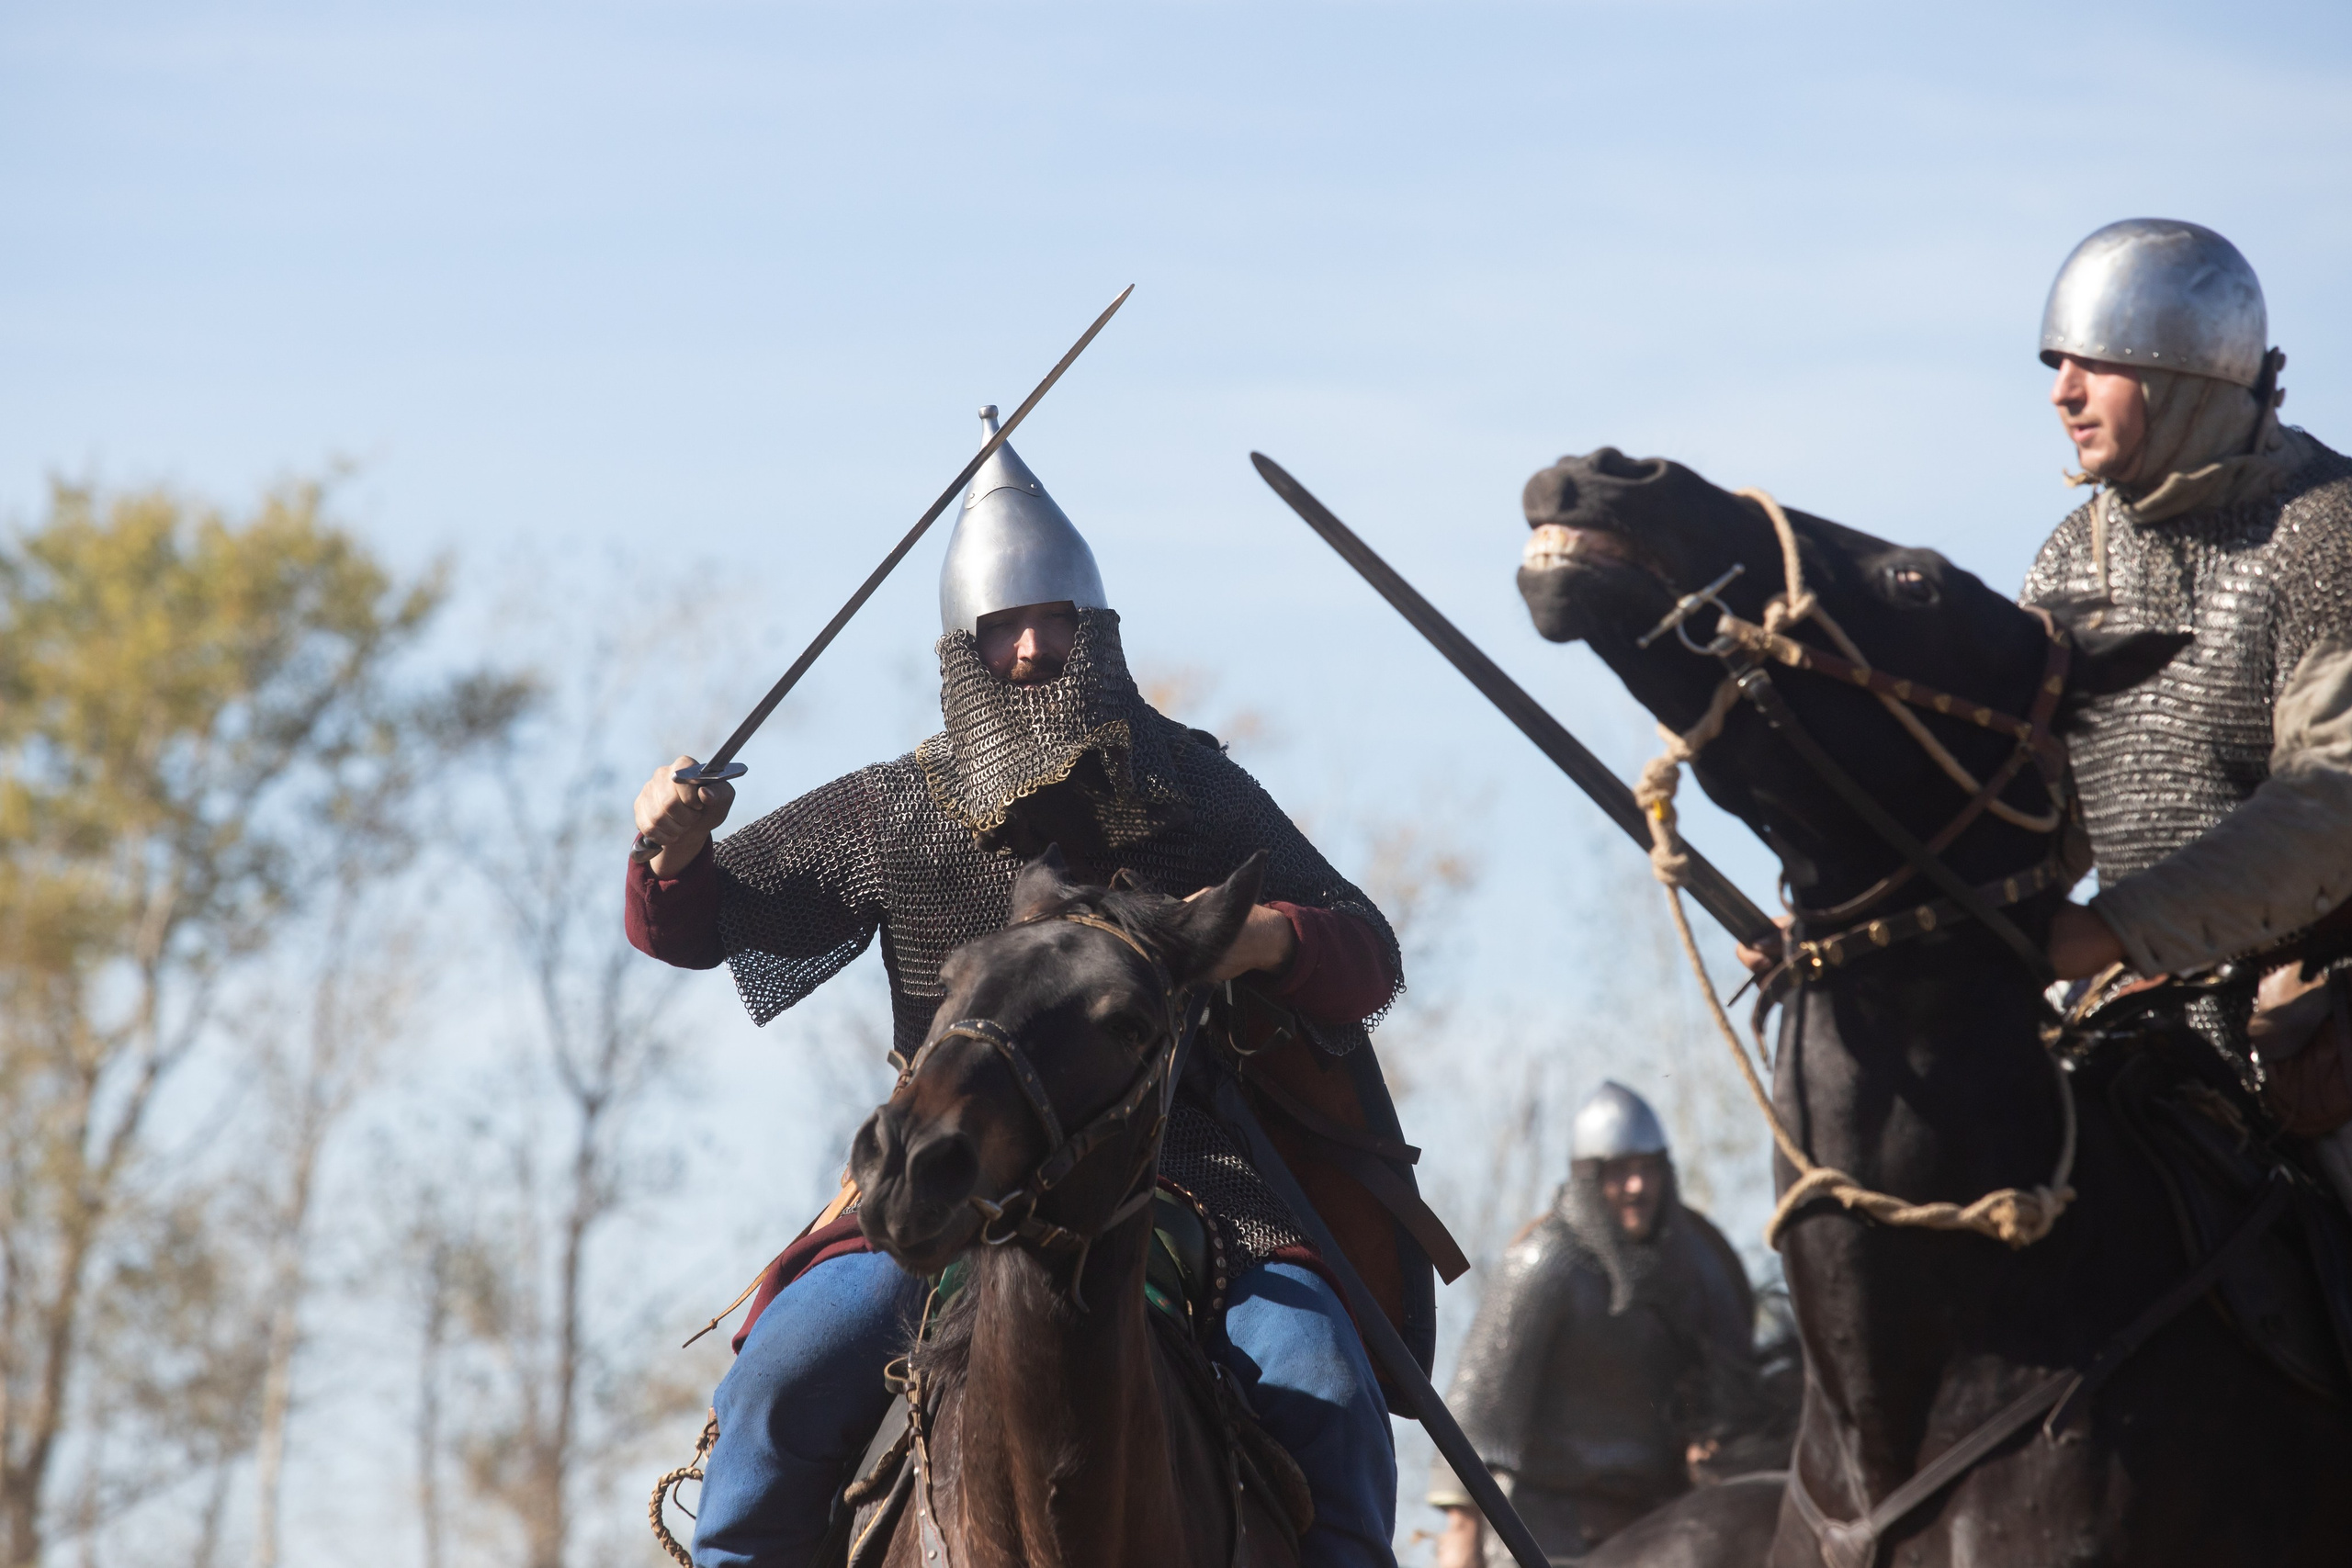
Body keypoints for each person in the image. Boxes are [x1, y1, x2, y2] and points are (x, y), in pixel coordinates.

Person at [627, 407, 1417, 1568]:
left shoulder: (1189, 789)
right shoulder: (901, 807)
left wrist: (1260, 940)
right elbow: (707, 927)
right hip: (951, 1167)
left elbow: (1367, 957)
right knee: (782, 1377)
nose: (1035, 648)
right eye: (1006, 627)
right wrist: (672, 852)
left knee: (1324, 1385)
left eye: (1055, 621)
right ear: (965, 650)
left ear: (1096, 627)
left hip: (1185, 1172)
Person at [2018, 218, 2352, 1208]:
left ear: (2188, 371)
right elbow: (2027, 815)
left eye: (2095, 362)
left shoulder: (2327, 534)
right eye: (2057, 362)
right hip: (2130, 1022)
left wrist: (2114, 929)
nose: (2061, 391)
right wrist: (1838, 919)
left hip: (2321, 1025)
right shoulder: (2070, 563)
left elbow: (2333, 802)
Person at [1429, 1084, 1754, 1566]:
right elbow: (1478, 1414)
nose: (1637, 1186)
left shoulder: (1699, 1267)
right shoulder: (1548, 1264)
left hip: (1664, 1529)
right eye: (1620, 1171)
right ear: (1588, 1177)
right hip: (1544, 1535)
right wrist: (1462, 1533)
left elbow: (1735, 1397)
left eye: (1648, 1168)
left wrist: (1715, 1440)